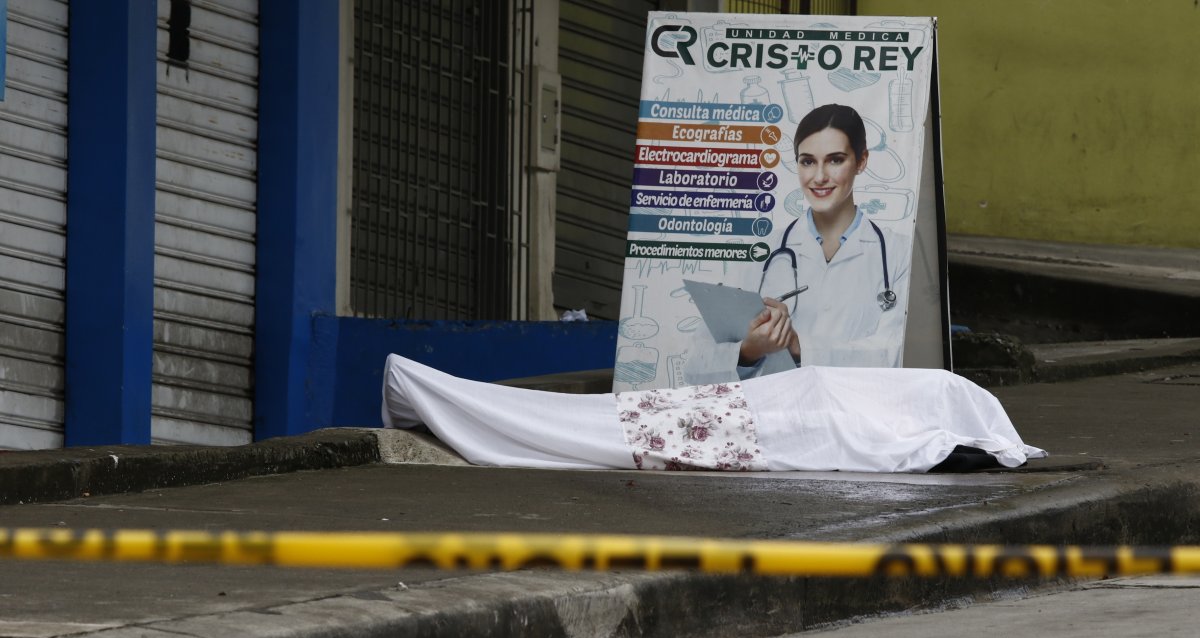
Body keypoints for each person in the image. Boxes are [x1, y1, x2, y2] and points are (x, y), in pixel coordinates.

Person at [382, 354, 1046, 474]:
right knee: (615, 423)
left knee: (612, 424)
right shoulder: (944, 408)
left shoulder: (942, 404)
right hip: (774, 412)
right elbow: (889, 442)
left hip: (773, 416)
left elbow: (884, 439)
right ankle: (434, 394)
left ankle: (434, 394)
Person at [685, 103, 910, 385]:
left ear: (862, 161)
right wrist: (748, 352)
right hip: (775, 414)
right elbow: (696, 362)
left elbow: (896, 356)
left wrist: (798, 345)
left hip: (854, 416)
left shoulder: (898, 254)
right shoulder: (764, 252)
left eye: (835, 160)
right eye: (808, 161)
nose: (819, 177)